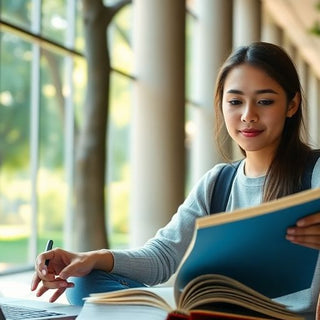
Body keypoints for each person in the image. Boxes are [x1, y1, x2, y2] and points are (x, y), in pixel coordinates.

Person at [31, 42, 320, 314]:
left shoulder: (314, 172)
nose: (248, 115)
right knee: (85, 282)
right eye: (235, 101)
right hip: (216, 316)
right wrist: (89, 258)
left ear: (292, 105)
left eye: (265, 101)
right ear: (222, 104)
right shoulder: (218, 182)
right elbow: (162, 257)